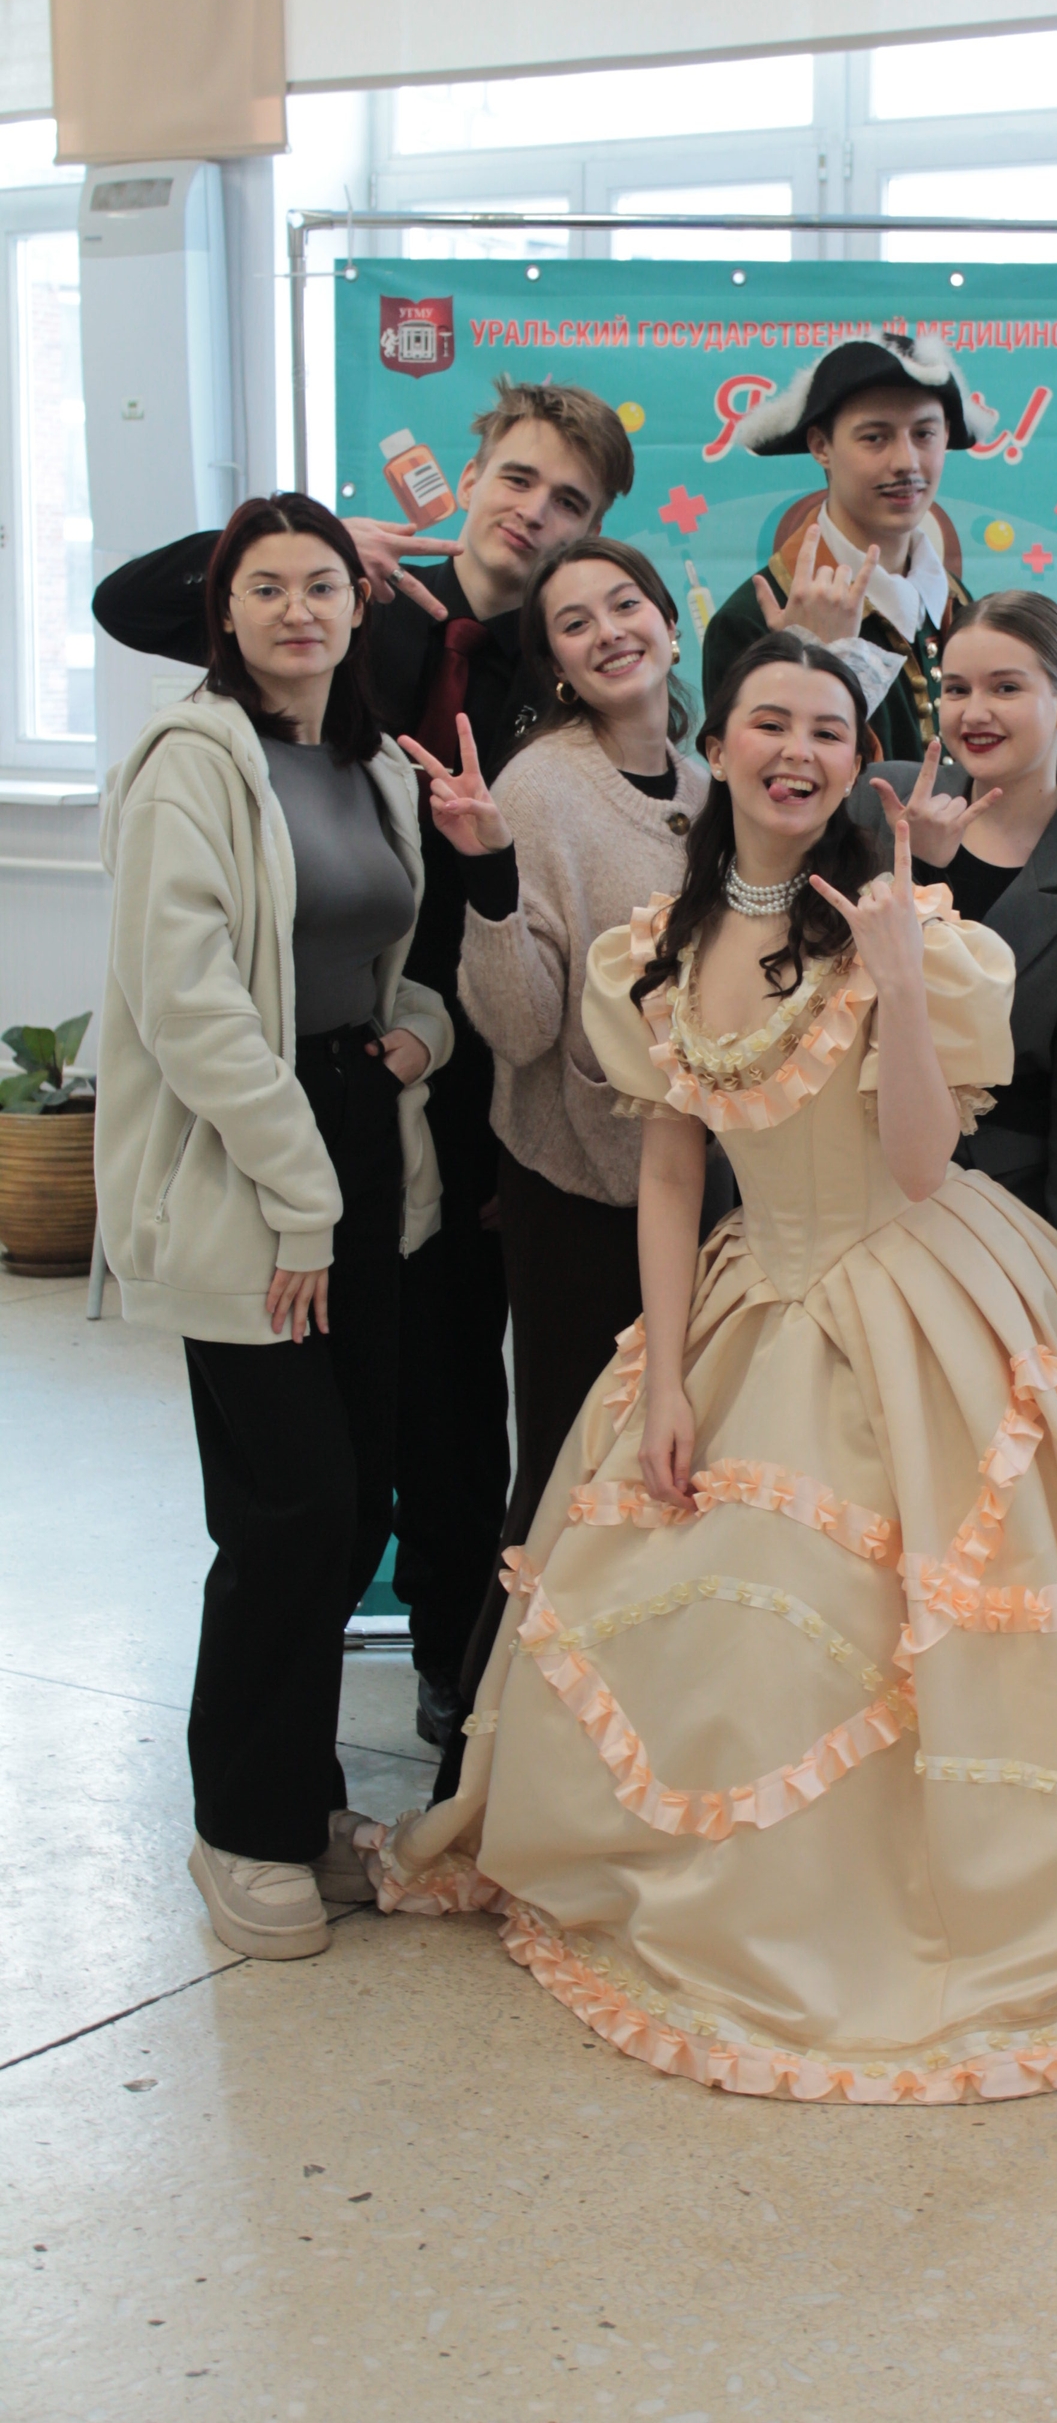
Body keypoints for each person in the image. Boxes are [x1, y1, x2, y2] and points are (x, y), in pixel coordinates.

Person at [361, 628, 1057, 2101]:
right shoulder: (653, 947)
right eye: (770, 721)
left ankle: (899, 1914)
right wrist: (665, 1374)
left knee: (904, 1620)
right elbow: (672, 1169)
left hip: (916, 1286)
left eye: (828, 727)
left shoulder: (911, 926)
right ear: (719, 745)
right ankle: (723, 1893)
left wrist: (898, 971)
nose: (797, 750)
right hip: (752, 1296)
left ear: (856, 761)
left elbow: (925, 1162)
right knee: (715, 1611)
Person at [92, 379, 636, 1753]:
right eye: (517, 479)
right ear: (473, 476)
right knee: (330, 1442)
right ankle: (290, 1720)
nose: (534, 514)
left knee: (455, 1407)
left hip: (477, 1064)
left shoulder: (560, 667)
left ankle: (460, 1667)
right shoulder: (348, 610)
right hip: (312, 1071)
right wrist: (318, 543)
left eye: (569, 503)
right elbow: (132, 603)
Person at [94, 493, 453, 1962]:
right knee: (286, 1507)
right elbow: (190, 1006)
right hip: (248, 1155)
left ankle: (302, 1804)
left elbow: (387, 958)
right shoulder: (191, 764)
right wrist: (303, 1198)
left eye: (322, 585)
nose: (298, 610)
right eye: (266, 587)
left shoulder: (372, 766)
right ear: (223, 610)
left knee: (354, 1498)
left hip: (358, 1127)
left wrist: (422, 1034)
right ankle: (240, 1828)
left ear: (356, 610)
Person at [397, 538, 709, 1741]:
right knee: (570, 1480)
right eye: (575, 623)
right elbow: (521, 1026)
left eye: (626, 604)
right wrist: (486, 875)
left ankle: (635, 1743)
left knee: (678, 1477)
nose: (608, 630)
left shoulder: (713, 785)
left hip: (710, 1195)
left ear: (670, 623)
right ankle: (493, 1756)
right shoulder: (538, 787)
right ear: (559, 666)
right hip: (577, 1188)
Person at [850, 590, 1057, 1290]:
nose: (974, 712)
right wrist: (917, 864)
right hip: (849, 1199)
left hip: (996, 1233)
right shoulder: (882, 803)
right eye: (957, 689)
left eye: (1005, 688)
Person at [701, 330, 995, 760]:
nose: (906, 462)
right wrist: (816, 657)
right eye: (875, 437)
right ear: (821, 446)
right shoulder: (750, 622)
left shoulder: (959, 603)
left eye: (924, 434)